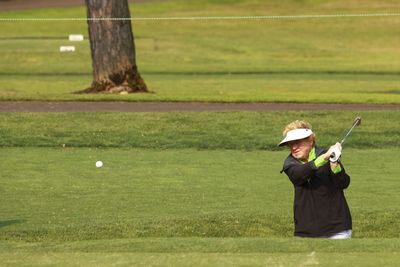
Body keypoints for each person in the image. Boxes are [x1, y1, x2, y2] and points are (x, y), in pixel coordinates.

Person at [279, 120, 352, 239]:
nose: (294, 147)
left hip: (337, 228)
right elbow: (299, 175)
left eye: (297, 142)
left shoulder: (328, 155)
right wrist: (324, 158)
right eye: (290, 144)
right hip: (306, 230)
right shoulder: (290, 164)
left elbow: (343, 183)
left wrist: (334, 163)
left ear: (311, 140)